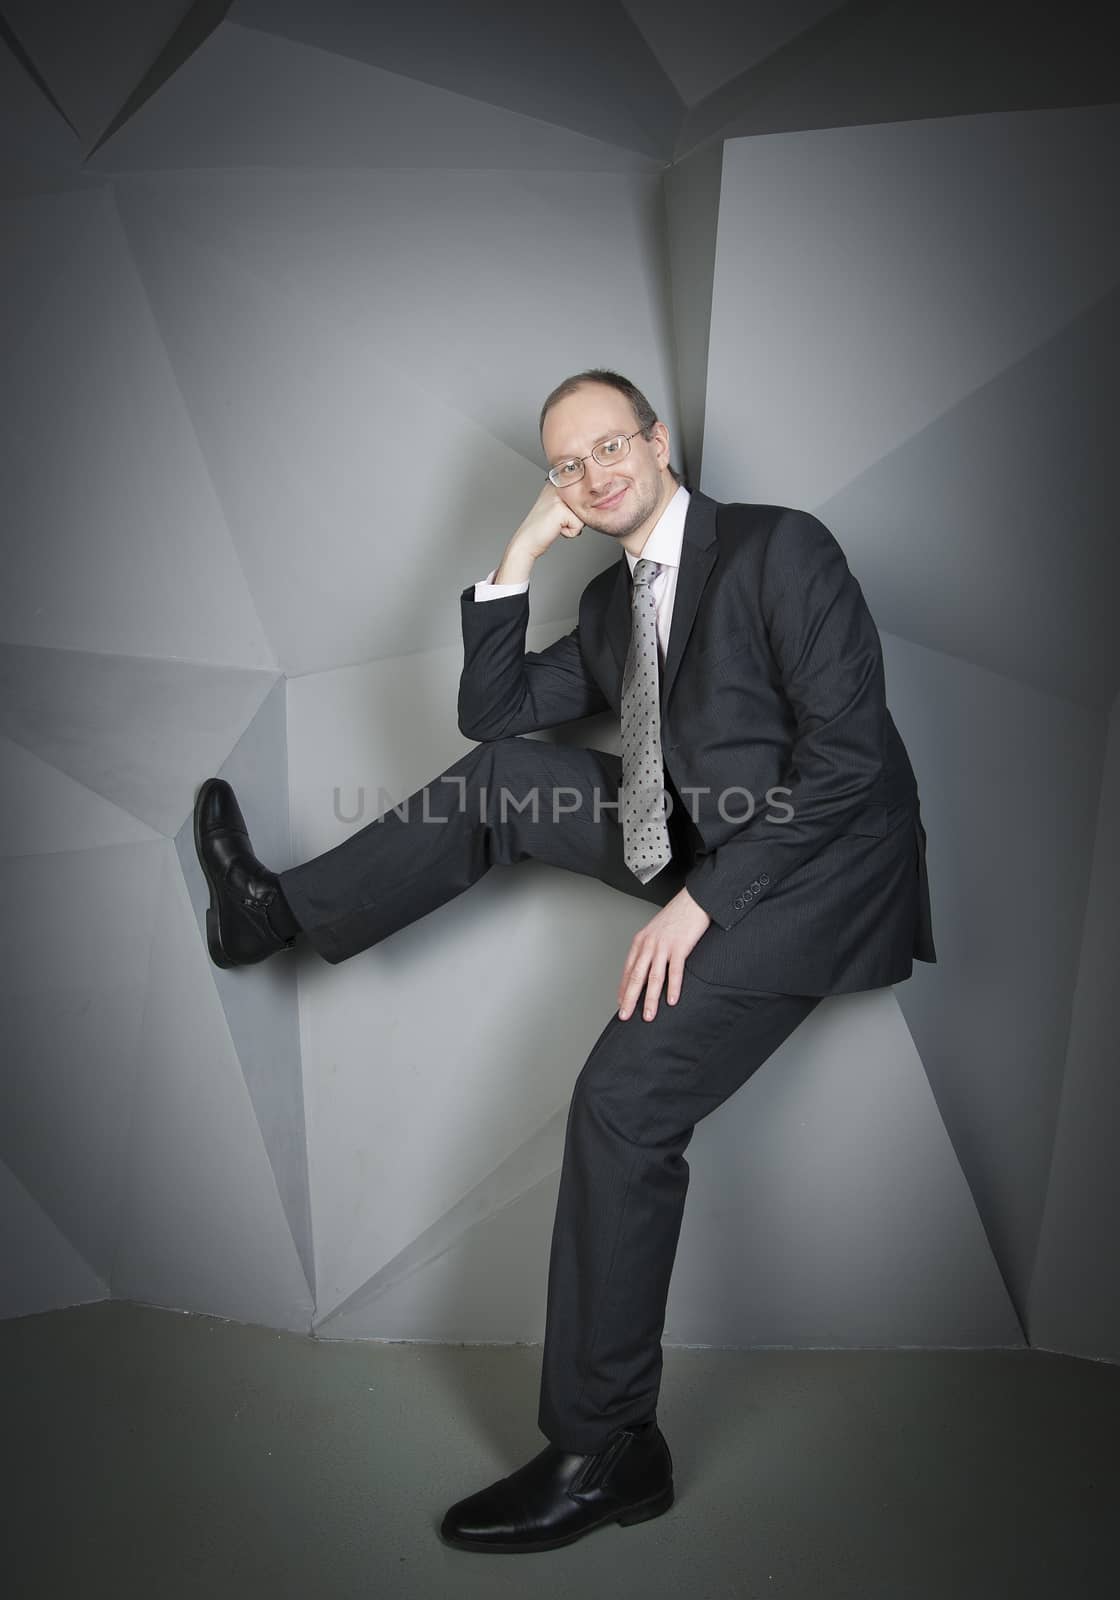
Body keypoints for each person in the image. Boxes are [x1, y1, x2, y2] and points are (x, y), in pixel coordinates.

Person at [193, 368, 936, 1554]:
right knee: (501, 781)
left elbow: (850, 765)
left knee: (621, 1104)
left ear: (659, 443)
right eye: (567, 466)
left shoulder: (780, 551)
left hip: (814, 866)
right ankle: (268, 913)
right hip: (699, 822)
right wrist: (520, 551)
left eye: (609, 447)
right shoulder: (607, 606)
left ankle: (607, 1450)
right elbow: (492, 714)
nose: (594, 475)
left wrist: (701, 901)